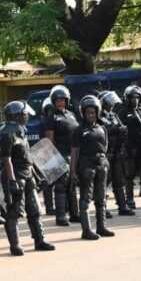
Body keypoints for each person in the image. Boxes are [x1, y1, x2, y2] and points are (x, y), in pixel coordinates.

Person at [0, 101, 56, 256]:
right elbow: (6, 159)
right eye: (24, 114)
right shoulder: (6, 133)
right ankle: (15, 245)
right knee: (14, 212)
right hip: (16, 176)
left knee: (35, 210)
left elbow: (27, 155)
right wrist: (11, 181)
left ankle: (39, 240)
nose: (27, 116)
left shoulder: (21, 130)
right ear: (17, 115)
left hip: (28, 174)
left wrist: (37, 175)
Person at [70, 96, 115, 239]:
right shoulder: (78, 130)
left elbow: (105, 147)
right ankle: (86, 230)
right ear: (83, 113)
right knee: (85, 199)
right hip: (86, 166)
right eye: (87, 112)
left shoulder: (102, 128)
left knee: (101, 198)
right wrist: (73, 172)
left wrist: (104, 163)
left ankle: (101, 227)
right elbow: (74, 151)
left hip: (101, 165)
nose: (90, 115)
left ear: (97, 112)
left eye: (93, 112)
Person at [45, 85, 80, 226]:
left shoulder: (71, 114)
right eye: (58, 100)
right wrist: (53, 159)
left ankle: (74, 214)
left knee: (72, 184)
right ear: (53, 101)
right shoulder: (51, 117)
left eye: (63, 100)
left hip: (73, 154)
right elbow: (49, 140)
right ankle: (60, 216)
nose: (61, 102)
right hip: (60, 154)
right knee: (61, 186)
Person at [99, 90, 134, 216]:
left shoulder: (113, 115)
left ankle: (122, 206)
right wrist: (116, 129)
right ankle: (103, 207)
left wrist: (122, 130)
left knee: (119, 180)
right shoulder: (98, 116)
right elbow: (103, 131)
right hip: (106, 153)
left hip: (118, 151)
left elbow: (122, 127)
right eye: (109, 103)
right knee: (103, 182)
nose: (112, 105)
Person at [41, 97, 56, 216]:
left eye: (52, 109)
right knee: (48, 182)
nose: (50, 111)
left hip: (56, 152)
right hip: (47, 152)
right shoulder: (45, 121)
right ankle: (49, 207)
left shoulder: (55, 120)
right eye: (48, 110)